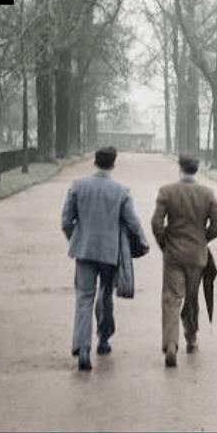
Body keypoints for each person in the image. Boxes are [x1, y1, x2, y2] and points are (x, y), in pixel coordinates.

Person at [61, 146, 149, 371]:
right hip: (110, 252)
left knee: (84, 297)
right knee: (105, 294)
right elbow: (133, 222)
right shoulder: (121, 191)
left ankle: (82, 348)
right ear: (113, 163)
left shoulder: (78, 186)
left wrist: (77, 239)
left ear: (95, 161)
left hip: (84, 251)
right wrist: (142, 242)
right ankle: (103, 338)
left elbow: (66, 221)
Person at [151, 154, 217, 368]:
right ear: (197, 169)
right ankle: (191, 339)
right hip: (197, 256)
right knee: (192, 299)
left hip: (173, 254)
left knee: (171, 298)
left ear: (180, 168)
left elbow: (156, 223)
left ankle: (171, 344)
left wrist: (165, 243)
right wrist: (203, 238)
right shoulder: (207, 194)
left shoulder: (167, 191)